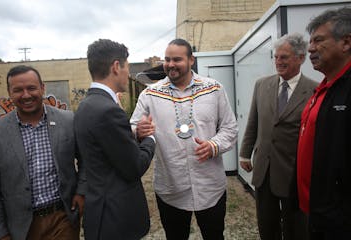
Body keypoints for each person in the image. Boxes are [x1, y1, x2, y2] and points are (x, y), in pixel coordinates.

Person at [130, 38, 238, 240]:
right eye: (167, 59)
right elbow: (132, 126)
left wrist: (214, 145)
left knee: (215, 236)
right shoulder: (150, 94)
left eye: (177, 59)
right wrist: (138, 131)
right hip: (171, 188)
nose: (170, 65)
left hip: (210, 187)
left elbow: (230, 128)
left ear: (191, 60)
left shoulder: (213, 89)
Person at [0, 65, 86, 240]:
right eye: (18, 90)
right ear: (9, 93)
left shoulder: (68, 120)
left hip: (62, 218)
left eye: (31, 88)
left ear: (42, 88)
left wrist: (81, 191)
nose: (26, 95)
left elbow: (85, 160)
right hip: (21, 226)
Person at [74, 39, 156, 240]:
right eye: (127, 67)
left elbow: (105, 146)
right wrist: (151, 138)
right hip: (115, 219)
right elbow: (134, 166)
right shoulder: (108, 110)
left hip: (100, 214)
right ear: (116, 67)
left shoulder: (86, 105)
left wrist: (135, 133)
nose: (128, 73)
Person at [239, 33, 318, 240]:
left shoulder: (314, 90)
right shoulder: (262, 85)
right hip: (264, 170)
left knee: (296, 228)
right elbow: (253, 122)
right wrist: (245, 154)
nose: (278, 62)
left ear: (300, 58)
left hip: (294, 172)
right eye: (276, 57)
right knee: (267, 225)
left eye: (284, 57)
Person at [297, 7, 351, 240]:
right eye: (310, 41)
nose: (310, 48)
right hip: (318, 214)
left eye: (318, 40)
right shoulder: (323, 89)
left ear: (346, 43)